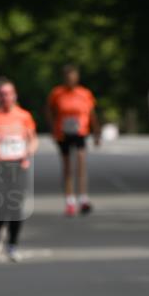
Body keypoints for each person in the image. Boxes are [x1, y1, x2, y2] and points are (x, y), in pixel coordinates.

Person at [0, 81, 37, 261]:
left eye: (9, 93)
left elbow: (33, 140)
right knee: (0, 205)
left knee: (15, 206)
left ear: (15, 96)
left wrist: (29, 151)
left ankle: (12, 243)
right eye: (3, 94)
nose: (6, 97)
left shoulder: (24, 116)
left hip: (18, 165)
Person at [46, 65, 101, 215]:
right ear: (64, 78)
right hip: (63, 133)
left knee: (81, 163)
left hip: (80, 131)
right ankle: (70, 200)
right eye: (68, 77)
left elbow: (92, 114)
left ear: (77, 78)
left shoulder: (84, 93)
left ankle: (83, 198)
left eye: (73, 77)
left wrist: (97, 132)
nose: (71, 80)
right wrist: (52, 129)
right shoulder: (57, 93)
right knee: (67, 167)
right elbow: (50, 111)